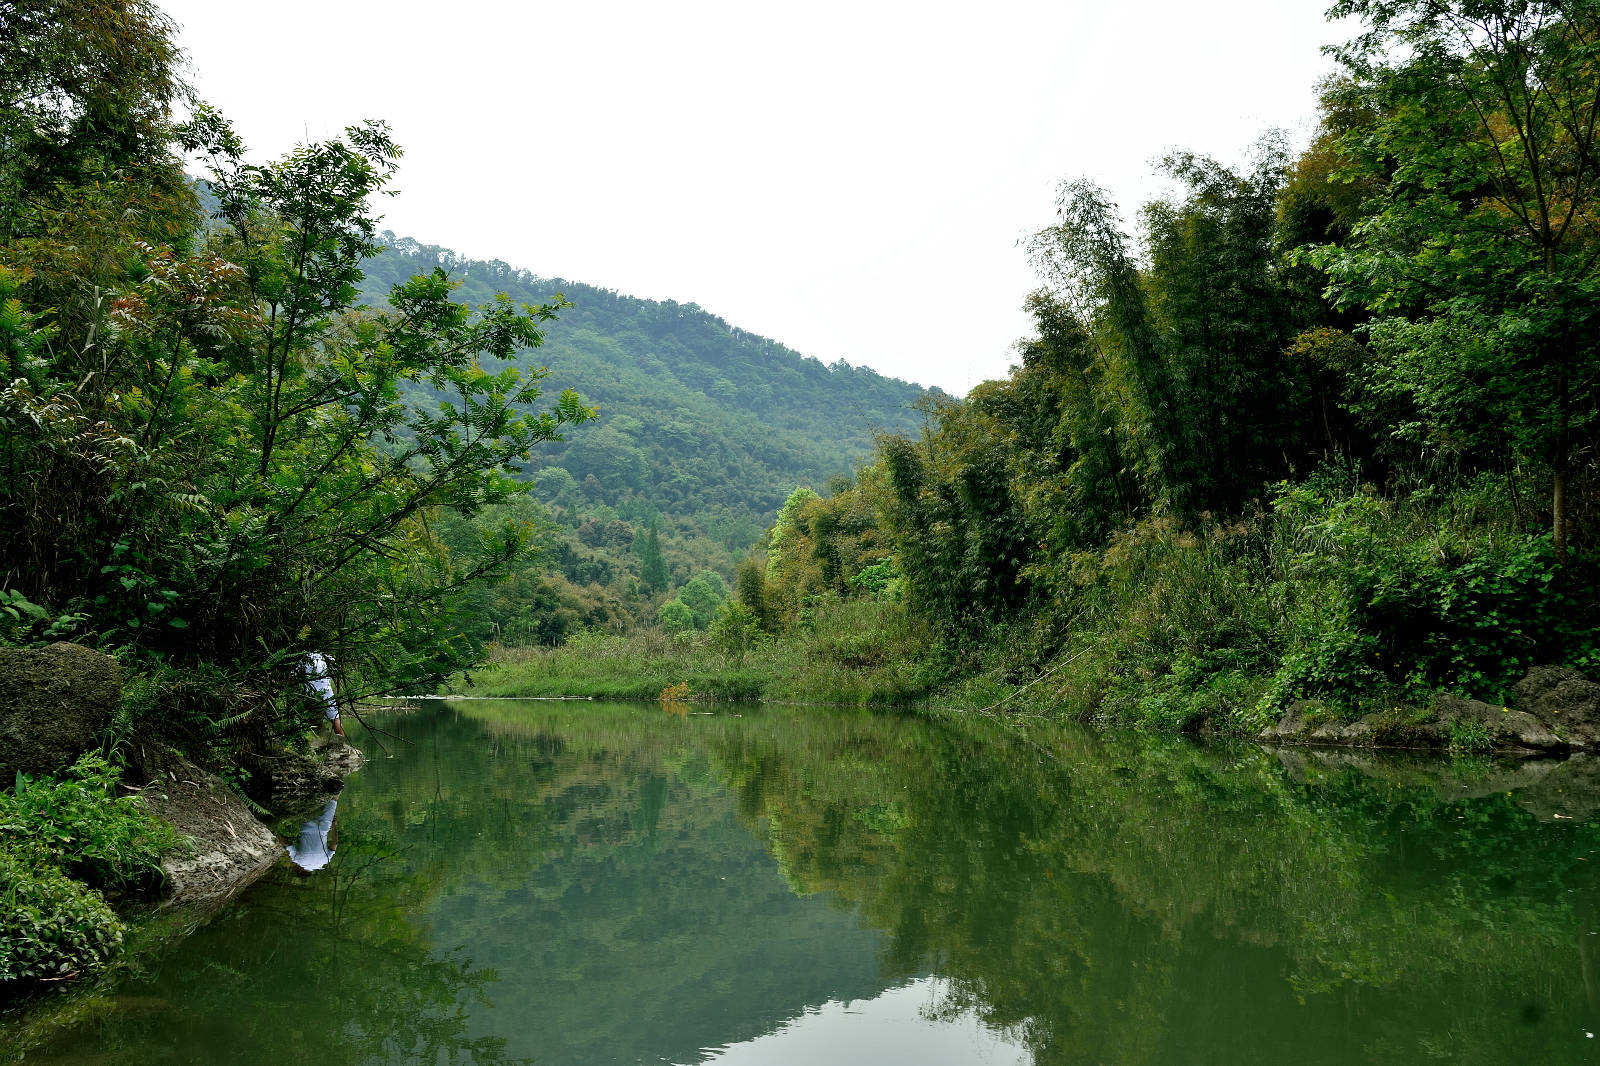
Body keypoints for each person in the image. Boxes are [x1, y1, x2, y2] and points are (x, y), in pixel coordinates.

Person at [286, 797, 338, 873]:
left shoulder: (325, 860)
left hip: (323, 827)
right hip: (306, 825)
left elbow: (335, 843)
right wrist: (275, 835)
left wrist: (334, 825)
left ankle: (338, 787)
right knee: (304, 800)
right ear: (300, 870)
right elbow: (288, 844)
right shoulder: (297, 860)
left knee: (333, 800)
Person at [305, 651, 344, 737]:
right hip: (327, 694)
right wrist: (336, 693)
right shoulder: (327, 657)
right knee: (335, 718)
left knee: (310, 719)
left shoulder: (303, 659)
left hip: (309, 694)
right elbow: (338, 677)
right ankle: (342, 742)